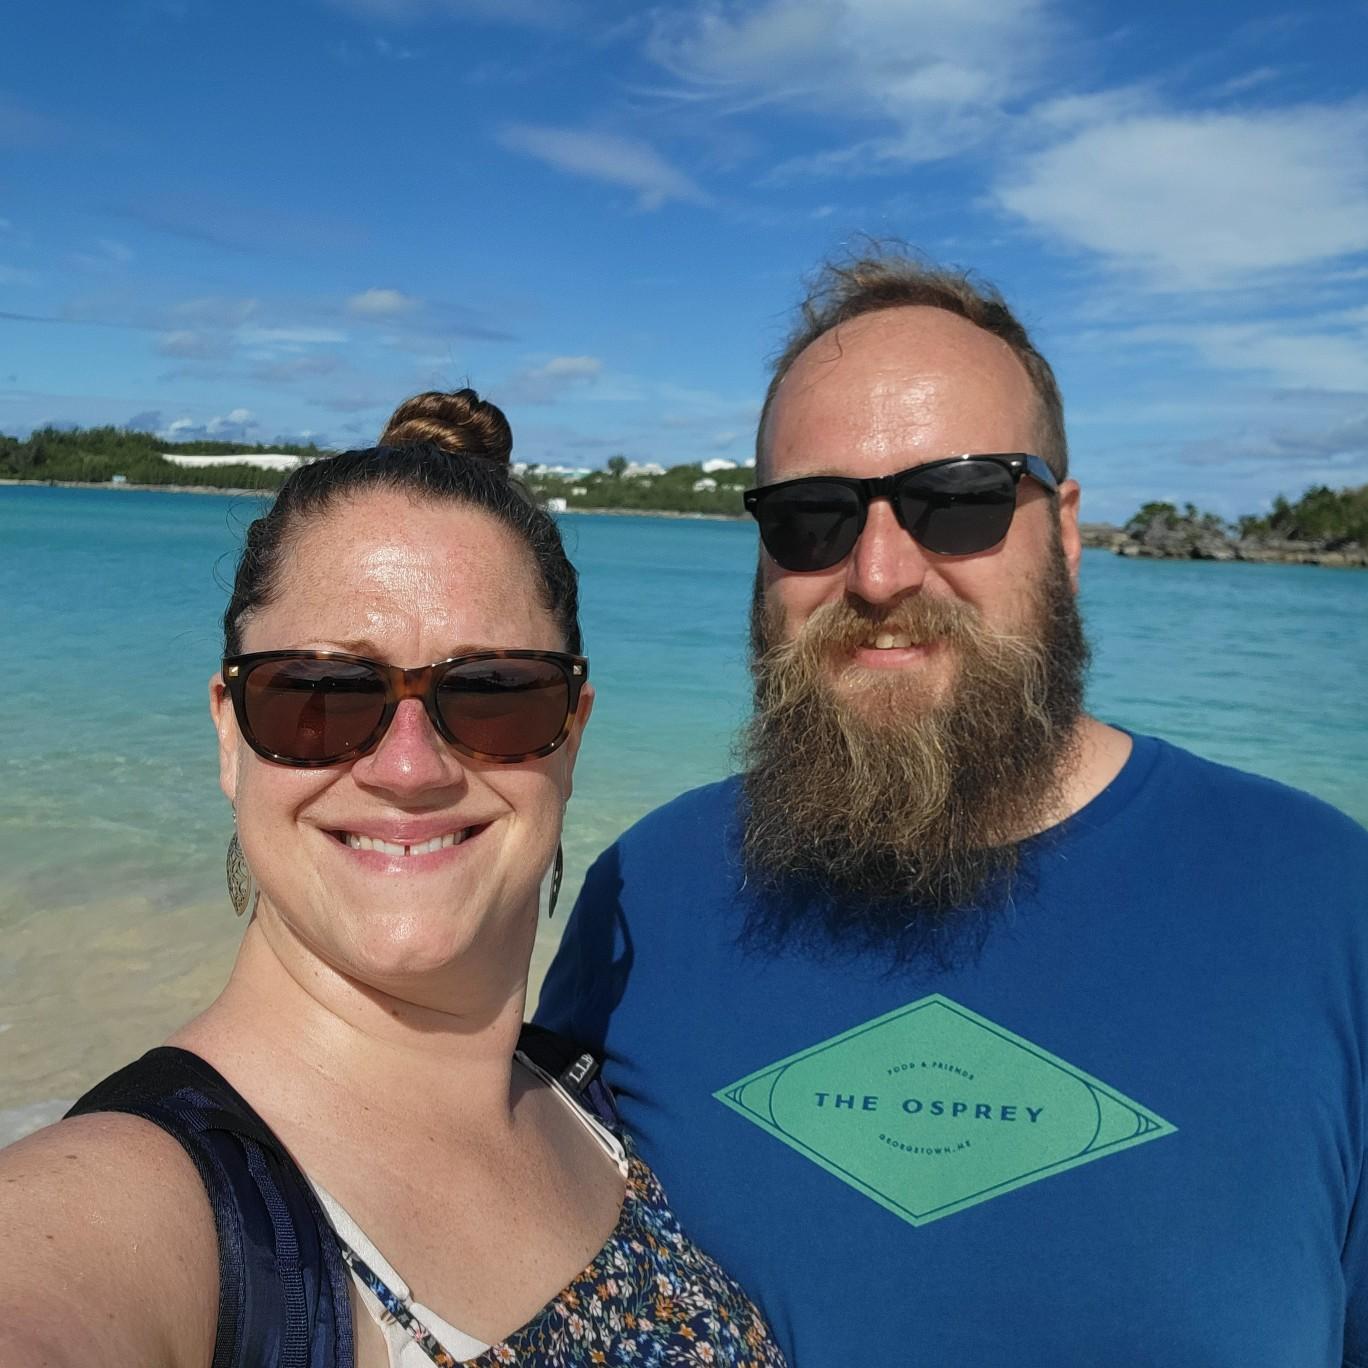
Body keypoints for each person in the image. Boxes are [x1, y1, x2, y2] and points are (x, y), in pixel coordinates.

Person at [537, 252, 1368, 1366]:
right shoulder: (649, 893)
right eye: (813, 517)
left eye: (960, 500)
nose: (880, 573)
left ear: (1065, 534)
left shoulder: (1322, 903)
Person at [0, 390, 787, 1368]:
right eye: (322, 693)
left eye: (493, 692)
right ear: (231, 735)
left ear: (571, 735)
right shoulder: (148, 1206)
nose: (408, 768)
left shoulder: (593, 1097)